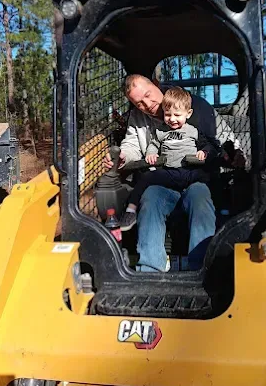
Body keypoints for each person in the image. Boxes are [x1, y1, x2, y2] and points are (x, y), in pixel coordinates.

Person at [104, 74, 244, 272]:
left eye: (148, 95)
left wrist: (235, 153)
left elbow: (223, 136)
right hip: (163, 179)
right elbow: (132, 144)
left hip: (195, 177)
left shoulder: (195, 106)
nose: (147, 104)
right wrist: (123, 156)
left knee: (200, 197)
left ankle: (201, 268)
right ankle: (150, 269)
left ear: (156, 85)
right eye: (139, 103)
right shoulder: (138, 117)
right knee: (150, 199)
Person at [119, 87, 218, 231]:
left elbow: (207, 145)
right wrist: (150, 154)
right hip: (169, 172)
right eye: (167, 114)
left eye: (177, 115)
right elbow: (154, 144)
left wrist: (204, 152)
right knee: (146, 178)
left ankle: (221, 208)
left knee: (210, 179)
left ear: (188, 114)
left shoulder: (193, 131)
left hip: (190, 171)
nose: (172, 119)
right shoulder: (161, 131)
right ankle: (131, 210)